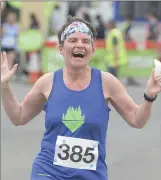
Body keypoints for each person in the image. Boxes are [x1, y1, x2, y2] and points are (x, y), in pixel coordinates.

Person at [1, 16, 161, 180]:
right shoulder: (47, 82)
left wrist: (149, 95)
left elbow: (137, 120)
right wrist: (4, 86)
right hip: (48, 173)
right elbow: (18, 116)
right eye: (73, 40)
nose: (79, 44)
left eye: (85, 41)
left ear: (92, 50)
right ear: (61, 49)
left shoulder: (106, 82)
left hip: (91, 175)